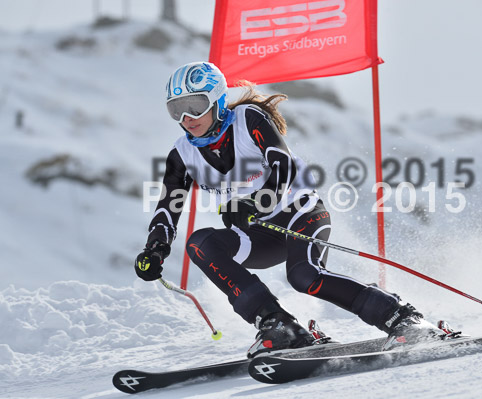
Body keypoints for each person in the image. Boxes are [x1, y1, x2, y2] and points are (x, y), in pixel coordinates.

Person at [134, 61, 444, 357]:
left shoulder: (248, 118)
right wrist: (155, 249)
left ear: (216, 99)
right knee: (200, 244)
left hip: (300, 214)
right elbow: (168, 207)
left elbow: (281, 163)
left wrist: (260, 200)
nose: (187, 117)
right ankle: (278, 325)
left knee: (305, 276)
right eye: (176, 109)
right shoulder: (182, 153)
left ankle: (401, 317)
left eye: (195, 105)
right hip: (258, 235)